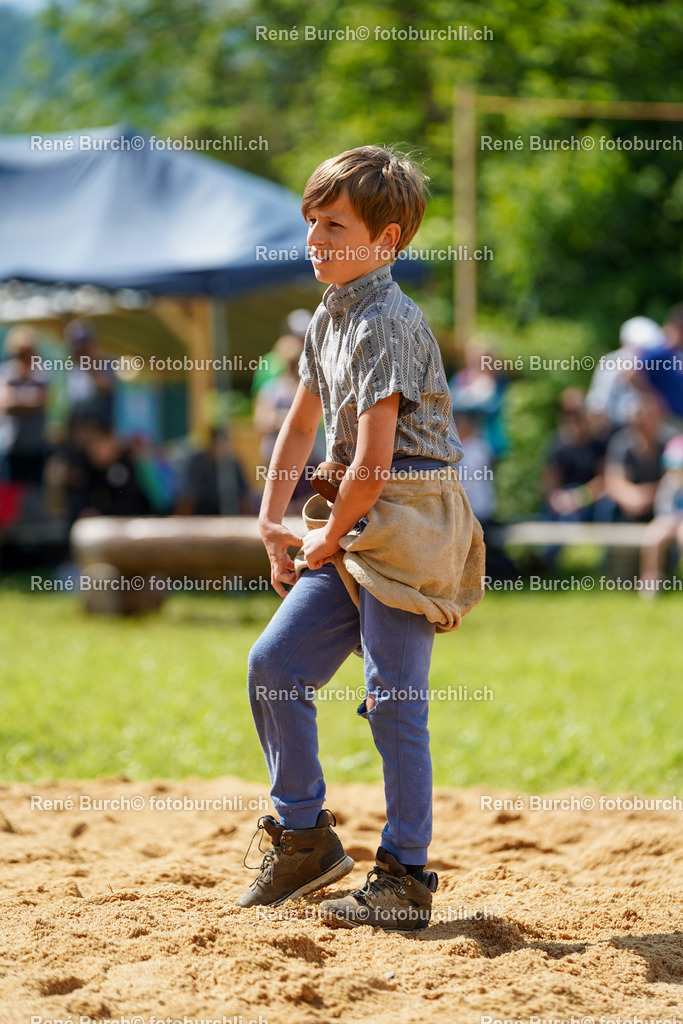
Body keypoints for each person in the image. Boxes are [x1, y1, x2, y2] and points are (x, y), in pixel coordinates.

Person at [236, 145, 485, 930]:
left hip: (408, 519)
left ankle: (405, 874)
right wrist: (274, 520)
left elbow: (376, 464)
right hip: (353, 513)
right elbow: (301, 422)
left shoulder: (385, 318)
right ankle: (304, 838)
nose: (314, 237)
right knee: (274, 666)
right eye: (310, 221)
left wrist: (323, 539)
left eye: (333, 224)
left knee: (392, 701)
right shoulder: (328, 313)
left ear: (384, 241)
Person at [586, 316, 665, 432]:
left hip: (649, 431)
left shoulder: (658, 367)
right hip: (615, 430)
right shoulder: (611, 363)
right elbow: (597, 404)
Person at [543, 388, 607, 522]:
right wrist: (558, 500)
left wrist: (581, 497)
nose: (573, 419)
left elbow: (604, 480)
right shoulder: (556, 445)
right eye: (568, 414)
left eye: (577, 414)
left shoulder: (598, 444)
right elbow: (550, 483)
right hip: (564, 501)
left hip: (591, 502)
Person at [604, 392, 666, 522]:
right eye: (641, 418)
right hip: (628, 505)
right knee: (606, 507)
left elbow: (676, 480)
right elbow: (613, 480)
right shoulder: (620, 442)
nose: (645, 423)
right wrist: (630, 496)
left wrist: (648, 495)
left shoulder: (668, 444)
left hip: (662, 503)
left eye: (650, 418)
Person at [0, 325, 49, 487]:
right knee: (10, 495)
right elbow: (6, 404)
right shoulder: (6, 372)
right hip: (11, 446)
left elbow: (41, 403)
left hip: (35, 446)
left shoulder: (41, 374)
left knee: (33, 495)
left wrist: (18, 401)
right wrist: (29, 400)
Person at [639, 434, 683, 591]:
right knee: (652, 538)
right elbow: (662, 506)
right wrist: (670, 521)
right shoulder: (668, 482)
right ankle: (650, 581)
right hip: (667, 521)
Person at [175, 427, 251, 516]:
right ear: (211, 443)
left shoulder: (233, 465)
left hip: (228, 516)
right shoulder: (198, 462)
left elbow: (244, 497)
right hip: (201, 516)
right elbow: (189, 497)